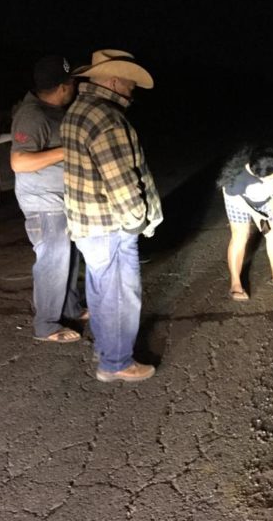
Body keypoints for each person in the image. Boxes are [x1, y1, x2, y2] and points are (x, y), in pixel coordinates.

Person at [61, 49, 163, 383]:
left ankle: (106, 349)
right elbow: (120, 179)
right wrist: (137, 220)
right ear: (115, 80)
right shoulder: (107, 118)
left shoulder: (78, 110)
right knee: (120, 292)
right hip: (111, 224)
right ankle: (117, 362)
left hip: (87, 223)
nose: (132, 88)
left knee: (101, 289)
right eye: (130, 82)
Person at [11, 55, 85, 343]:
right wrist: (68, 151)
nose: (76, 88)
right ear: (62, 86)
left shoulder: (52, 111)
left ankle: (72, 308)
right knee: (53, 261)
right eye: (73, 83)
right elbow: (19, 161)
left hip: (62, 200)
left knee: (71, 257)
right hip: (43, 202)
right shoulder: (33, 116)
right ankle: (46, 325)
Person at [219, 146, 273, 301]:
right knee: (240, 236)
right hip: (239, 201)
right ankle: (235, 284)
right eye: (268, 178)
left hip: (268, 200)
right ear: (254, 172)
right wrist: (255, 215)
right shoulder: (236, 177)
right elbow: (233, 197)